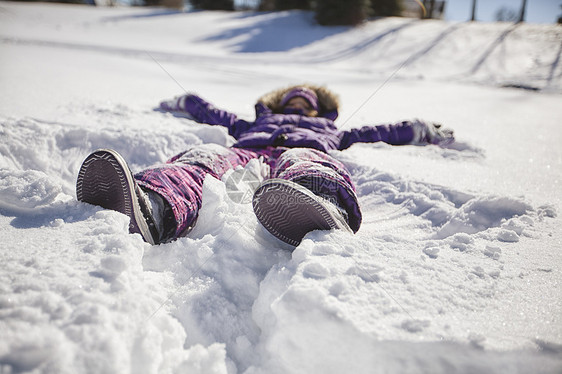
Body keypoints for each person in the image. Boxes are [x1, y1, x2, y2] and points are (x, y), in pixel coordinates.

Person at [76, 84, 454, 246]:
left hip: (301, 151)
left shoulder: (329, 130)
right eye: (293, 101)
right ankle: (153, 204)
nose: (299, 106)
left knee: (307, 160)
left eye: (306, 104)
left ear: (319, 109)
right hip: (249, 149)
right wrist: (185, 101)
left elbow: (381, 130)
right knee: (204, 159)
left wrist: (422, 130)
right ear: (280, 104)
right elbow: (214, 113)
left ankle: (323, 204)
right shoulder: (255, 123)